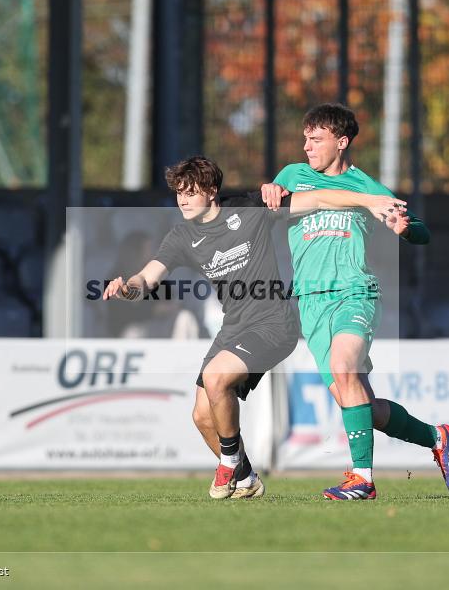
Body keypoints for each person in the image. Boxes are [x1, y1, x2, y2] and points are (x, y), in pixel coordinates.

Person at [103, 155, 406, 499]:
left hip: (274, 324)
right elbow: (147, 278)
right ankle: (245, 478)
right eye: (178, 193)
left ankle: (230, 461)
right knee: (203, 416)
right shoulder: (181, 237)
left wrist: (369, 200)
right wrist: (127, 288)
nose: (183, 200)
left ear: (212, 190)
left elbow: (320, 197)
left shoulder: (250, 208)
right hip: (234, 329)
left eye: (191, 191)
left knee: (217, 380)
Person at [261, 103, 449, 500]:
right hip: (310, 304)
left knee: (343, 368)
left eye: (315, 139)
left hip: (355, 293)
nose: (306, 147)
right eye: (305, 138)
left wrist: (406, 229)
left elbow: (421, 231)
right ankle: (436, 437)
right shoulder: (292, 176)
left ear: (342, 141)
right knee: (361, 405)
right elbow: (273, 198)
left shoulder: (368, 188)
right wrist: (270, 188)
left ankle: (362, 479)